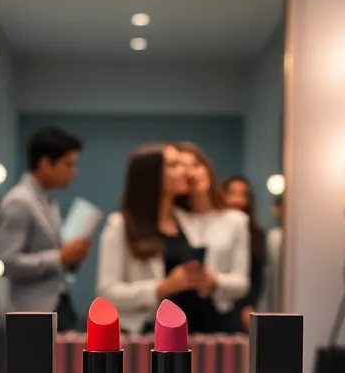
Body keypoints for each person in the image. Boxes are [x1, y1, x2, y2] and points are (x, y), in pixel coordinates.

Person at [97, 142, 246, 333]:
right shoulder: (121, 225)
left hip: (193, 329)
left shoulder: (187, 221)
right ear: (152, 175)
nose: (185, 171)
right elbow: (107, 291)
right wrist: (163, 287)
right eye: (174, 165)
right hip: (147, 332)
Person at [0, 126, 88, 330]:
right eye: (68, 164)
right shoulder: (19, 201)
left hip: (57, 303)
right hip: (32, 312)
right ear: (45, 163)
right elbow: (8, 262)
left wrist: (72, 257)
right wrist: (60, 257)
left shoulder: (48, 200)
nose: (73, 173)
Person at [161, 142, 251, 333]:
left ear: (206, 167)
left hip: (220, 317)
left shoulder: (236, 220)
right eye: (183, 169)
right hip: (178, 313)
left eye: (195, 165)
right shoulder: (174, 218)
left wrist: (214, 281)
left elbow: (242, 283)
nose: (192, 173)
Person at [220, 174, 268, 331]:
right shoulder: (217, 233)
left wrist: (249, 304)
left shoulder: (257, 234)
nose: (238, 200)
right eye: (232, 193)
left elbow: (257, 276)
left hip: (242, 306)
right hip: (218, 299)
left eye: (243, 195)